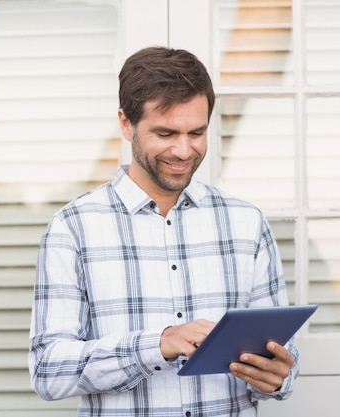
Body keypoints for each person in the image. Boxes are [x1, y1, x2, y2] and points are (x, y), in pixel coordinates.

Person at [28, 46, 299, 417]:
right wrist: (158, 344)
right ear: (126, 124)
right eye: (166, 132)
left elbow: (283, 356)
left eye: (197, 132)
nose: (184, 150)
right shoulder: (73, 228)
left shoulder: (245, 223)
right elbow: (48, 371)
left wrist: (279, 375)